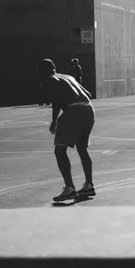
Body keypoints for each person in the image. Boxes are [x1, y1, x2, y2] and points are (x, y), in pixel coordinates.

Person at [39, 58, 95, 202]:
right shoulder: (68, 76)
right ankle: (89, 184)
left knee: (60, 150)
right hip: (89, 108)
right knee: (82, 148)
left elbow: (56, 101)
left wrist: (54, 120)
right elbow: (88, 94)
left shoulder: (50, 80)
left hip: (74, 110)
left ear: (43, 70)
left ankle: (69, 188)